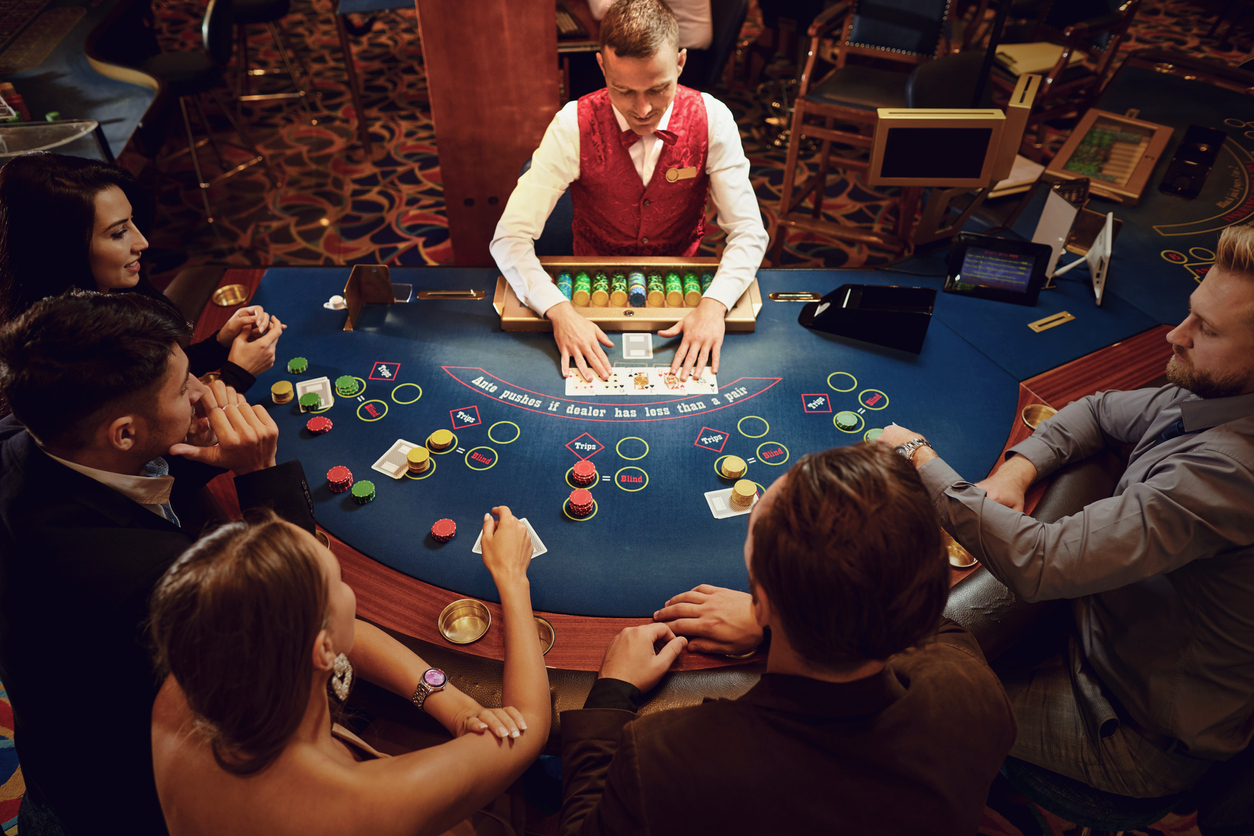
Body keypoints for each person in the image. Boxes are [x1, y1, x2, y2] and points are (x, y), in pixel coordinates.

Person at [874, 222, 1254, 798]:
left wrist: (913, 455)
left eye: (1207, 329)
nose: (1176, 336)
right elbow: (1099, 410)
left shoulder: (1229, 470)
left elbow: (1039, 562)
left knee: (874, 706)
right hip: (1097, 630)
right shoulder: (1217, 390)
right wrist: (1014, 472)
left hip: (1127, 727)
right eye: (1190, 312)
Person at [563, 444, 1016, 835]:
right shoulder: (972, 694)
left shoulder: (666, 759)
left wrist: (611, 693)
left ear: (759, 601)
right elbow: (936, 632)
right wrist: (776, 618)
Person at [0, 290, 315, 835]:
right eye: (183, 387)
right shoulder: (148, 573)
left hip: (54, 751)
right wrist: (259, 473)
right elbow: (301, 610)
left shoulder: (21, 438)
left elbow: (118, 495)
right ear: (124, 434)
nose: (203, 391)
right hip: (134, 797)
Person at [149, 508, 550, 835]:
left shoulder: (188, 683)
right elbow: (527, 727)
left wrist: (455, 706)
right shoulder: (361, 803)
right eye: (338, 580)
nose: (348, 593)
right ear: (322, 648)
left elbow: (345, 634)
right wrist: (513, 579)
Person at [490, 0, 768, 384]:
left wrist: (715, 304)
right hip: (588, 296)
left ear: (681, 63)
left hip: (682, 297)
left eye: (658, 89)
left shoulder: (714, 119)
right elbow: (509, 238)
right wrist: (558, 310)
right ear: (602, 66)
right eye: (623, 91)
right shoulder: (571, 124)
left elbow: (749, 231)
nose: (642, 109)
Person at [0, 151, 283, 391]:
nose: (142, 243)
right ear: (61, 251)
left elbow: (158, 373)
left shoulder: (112, 294)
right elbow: (160, 442)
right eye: (118, 232)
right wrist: (238, 374)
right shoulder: (66, 359)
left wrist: (220, 343)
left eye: (132, 221)